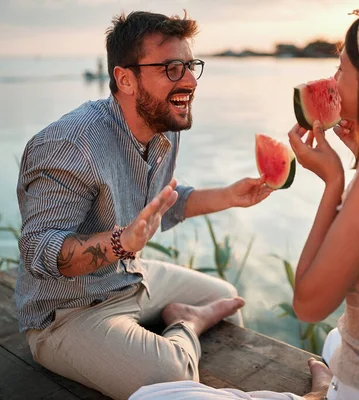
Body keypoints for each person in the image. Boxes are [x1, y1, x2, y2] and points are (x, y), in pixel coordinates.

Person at [131, 2, 359, 399]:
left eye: (342, 70)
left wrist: (333, 182)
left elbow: (308, 305)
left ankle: (320, 393)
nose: (332, 81)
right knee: (335, 340)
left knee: (149, 397)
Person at [15, 11, 273, 400]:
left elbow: (164, 203)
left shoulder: (162, 125)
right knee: (168, 371)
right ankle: (187, 324)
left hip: (129, 276)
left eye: (190, 66)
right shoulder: (71, 145)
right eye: (171, 68)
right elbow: (39, 249)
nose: (188, 80)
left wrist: (230, 196)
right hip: (68, 313)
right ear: (125, 79)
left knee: (223, 293)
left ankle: (190, 327)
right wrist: (122, 241)